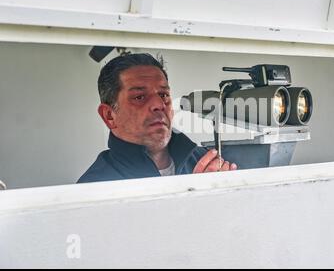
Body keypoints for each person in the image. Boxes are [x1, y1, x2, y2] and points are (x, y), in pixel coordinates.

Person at [78, 53, 237, 183]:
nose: (159, 104)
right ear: (109, 116)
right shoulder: (94, 187)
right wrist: (194, 197)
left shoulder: (211, 164)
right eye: (139, 97)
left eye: (163, 95)